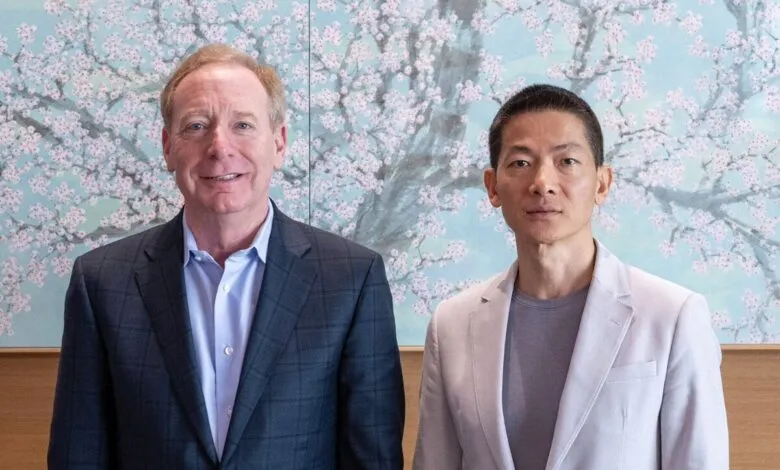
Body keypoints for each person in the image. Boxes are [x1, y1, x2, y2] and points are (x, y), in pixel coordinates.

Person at [48, 43, 405, 469]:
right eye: (196, 126)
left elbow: (374, 459)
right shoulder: (101, 282)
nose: (219, 146)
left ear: (279, 142)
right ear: (168, 147)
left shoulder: (352, 279)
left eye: (243, 125)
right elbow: (77, 456)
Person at [413, 84, 729, 470]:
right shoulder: (452, 324)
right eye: (521, 163)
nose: (542, 182)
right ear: (493, 187)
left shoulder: (673, 315)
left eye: (567, 162)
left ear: (602, 183)